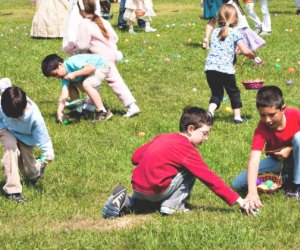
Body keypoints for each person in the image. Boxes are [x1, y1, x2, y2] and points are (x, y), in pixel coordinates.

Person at [102, 106, 246, 218]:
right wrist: (238, 200)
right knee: (192, 170)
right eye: (204, 133)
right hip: (157, 191)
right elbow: (209, 178)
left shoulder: (161, 137)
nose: (206, 138)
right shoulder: (187, 149)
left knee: (141, 206)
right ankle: (173, 205)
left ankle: (126, 201)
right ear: (191, 129)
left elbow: (135, 158)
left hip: (138, 189)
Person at [232, 86, 300, 213]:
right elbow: (254, 160)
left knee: (299, 138)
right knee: (237, 184)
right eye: (262, 115)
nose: (267, 120)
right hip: (278, 161)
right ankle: (285, 176)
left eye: (272, 115)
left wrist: (290, 148)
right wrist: (252, 192)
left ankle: (296, 186)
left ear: (283, 109)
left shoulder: (296, 115)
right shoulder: (262, 128)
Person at [76, 0, 141, 118]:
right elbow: (115, 37)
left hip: (100, 59)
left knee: (110, 81)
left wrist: (78, 51)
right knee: (96, 79)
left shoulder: (84, 23)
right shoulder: (102, 20)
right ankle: (91, 103)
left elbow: (82, 45)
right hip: (111, 54)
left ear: (81, 10)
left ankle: (132, 106)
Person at [205, 4, 262, 124]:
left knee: (216, 93)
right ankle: (237, 118)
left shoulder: (215, 32)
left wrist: (236, 51)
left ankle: (209, 113)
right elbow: (246, 51)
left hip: (210, 68)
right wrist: (254, 57)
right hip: (226, 70)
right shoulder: (235, 33)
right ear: (236, 19)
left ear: (219, 18)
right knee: (234, 92)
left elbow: (223, 48)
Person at [0, 82, 54, 203]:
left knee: (30, 173)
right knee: (10, 149)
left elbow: (44, 139)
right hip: (6, 130)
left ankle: (37, 169)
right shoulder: (4, 104)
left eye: (17, 117)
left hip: (26, 136)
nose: (15, 119)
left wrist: (48, 153)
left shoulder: (35, 117)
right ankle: (13, 190)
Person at [41, 53, 113, 123]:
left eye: (55, 74)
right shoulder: (64, 76)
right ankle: (78, 110)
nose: (56, 77)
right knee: (70, 86)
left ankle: (102, 112)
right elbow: (64, 95)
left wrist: (74, 74)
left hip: (100, 66)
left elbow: (92, 68)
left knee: (87, 84)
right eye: (53, 76)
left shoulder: (72, 62)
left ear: (60, 65)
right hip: (88, 72)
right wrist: (59, 112)